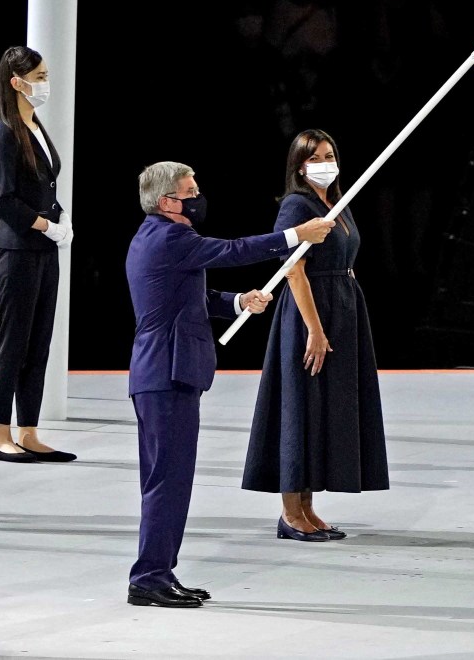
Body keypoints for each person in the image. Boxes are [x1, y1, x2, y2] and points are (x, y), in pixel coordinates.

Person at [124, 160, 334, 608]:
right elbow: (234, 251)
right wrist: (297, 235)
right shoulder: (171, 236)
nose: (198, 197)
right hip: (167, 373)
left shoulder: (154, 237)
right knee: (168, 481)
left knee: (168, 480)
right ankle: (148, 577)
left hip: (161, 373)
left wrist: (238, 301)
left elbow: (191, 299)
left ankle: (159, 572)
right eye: (190, 191)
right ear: (167, 202)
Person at [241, 128, 390, 540]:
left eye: (329, 155)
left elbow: (346, 253)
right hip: (310, 315)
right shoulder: (296, 205)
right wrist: (315, 330)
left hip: (342, 307)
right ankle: (291, 514)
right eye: (315, 158)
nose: (325, 164)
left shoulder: (337, 203)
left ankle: (308, 507)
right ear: (299, 166)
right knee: (301, 406)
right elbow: (293, 270)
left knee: (324, 407)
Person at [0, 45, 75, 464]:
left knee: (40, 341)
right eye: (37, 76)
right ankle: (0, 432)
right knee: (14, 343)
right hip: (18, 250)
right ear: (15, 82)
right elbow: (3, 200)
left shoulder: (34, 125)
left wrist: (61, 218)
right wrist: (44, 224)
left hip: (44, 249)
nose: (44, 83)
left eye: (44, 74)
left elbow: (44, 185)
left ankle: (29, 429)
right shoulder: (4, 133)